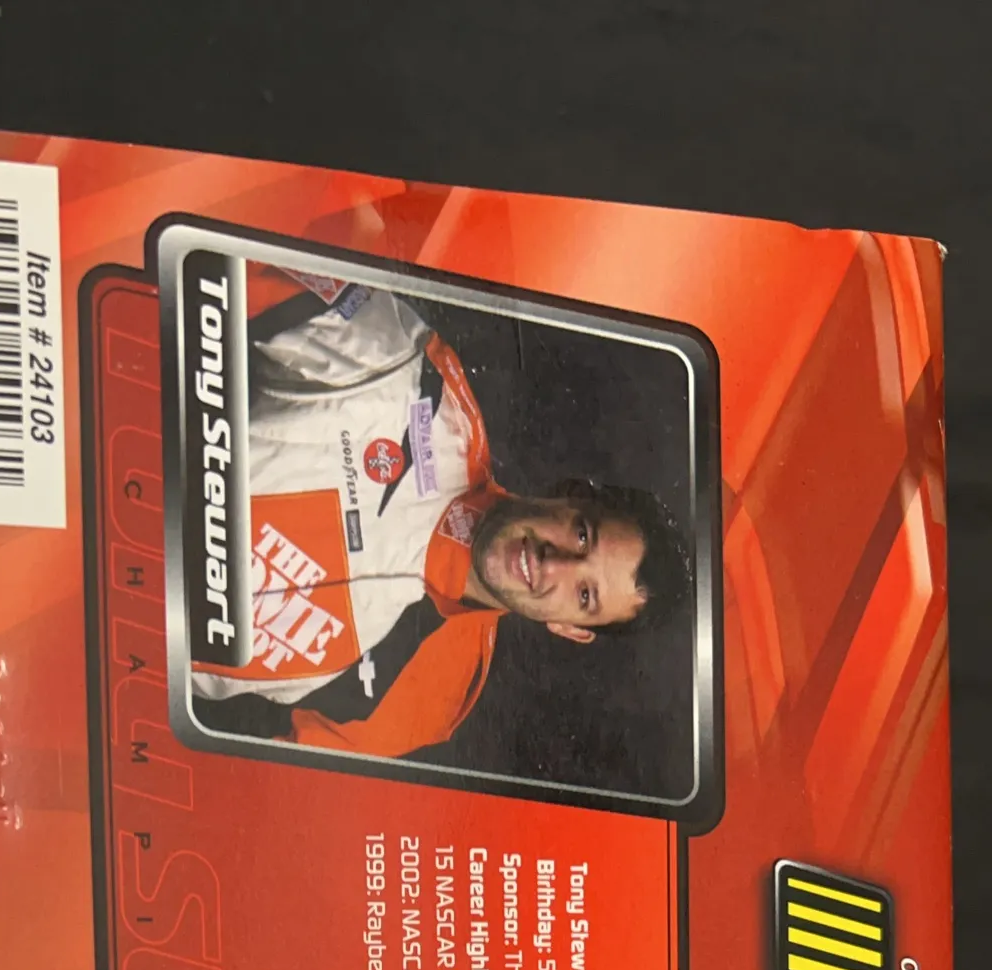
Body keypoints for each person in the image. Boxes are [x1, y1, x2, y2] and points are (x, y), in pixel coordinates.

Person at [190, 274, 691, 762]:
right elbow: (202, 276)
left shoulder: (427, 703)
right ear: (570, 495)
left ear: (570, 629)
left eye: (584, 596)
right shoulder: (409, 381)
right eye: (582, 536)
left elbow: (242, 775)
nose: (553, 563)